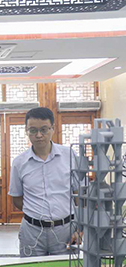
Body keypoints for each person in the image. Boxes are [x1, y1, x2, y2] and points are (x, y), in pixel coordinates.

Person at [9, 107, 80, 257]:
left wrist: (80, 229)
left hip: (66, 230)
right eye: (33, 130)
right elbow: (17, 199)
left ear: (52, 128)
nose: (39, 135)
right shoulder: (19, 163)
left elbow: (80, 196)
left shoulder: (69, 156)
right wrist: (37, 214)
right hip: (32, 232)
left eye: (44, 129)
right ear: (26, 131)